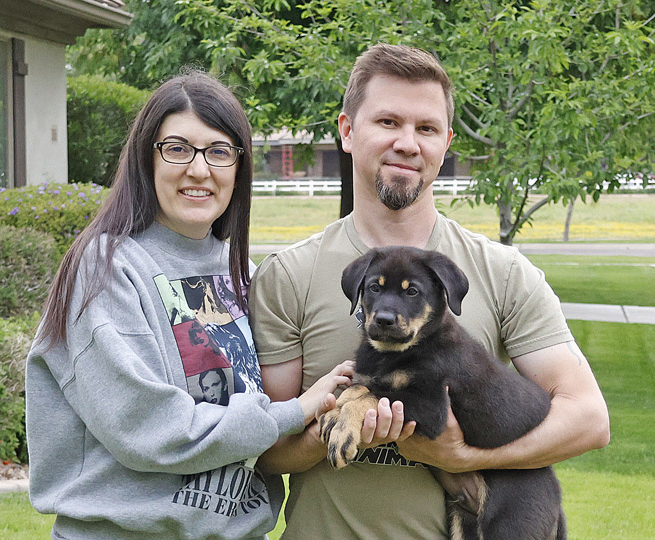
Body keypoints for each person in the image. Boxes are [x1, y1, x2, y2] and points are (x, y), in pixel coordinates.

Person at [249, 44, 610, 539]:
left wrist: (466, 456)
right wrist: (356, 418)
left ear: (447, 142)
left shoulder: (503, 272)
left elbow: (589, 420)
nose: (407, 143)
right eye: (388, 122)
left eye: (426, 128)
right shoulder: (287, 275)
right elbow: (266, 452)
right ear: (348, 131)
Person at [25, 71, 354, 540]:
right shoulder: (107, 269)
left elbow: (270, 438)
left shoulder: (244, 274)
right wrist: (294, 412)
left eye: (219, 152)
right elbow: (149, 427)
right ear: (147, 159)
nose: (199, 170)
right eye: (178, 149)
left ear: (238, 169)